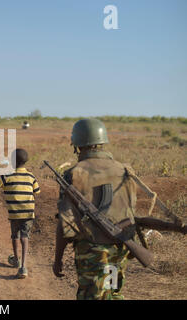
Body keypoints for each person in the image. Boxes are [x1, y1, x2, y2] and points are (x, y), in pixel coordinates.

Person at [53, 118, 138, 300]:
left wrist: (58, 258)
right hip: (119, 248)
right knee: (113, 293)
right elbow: (130, 211)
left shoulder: (74, 174)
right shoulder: (124, 170)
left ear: (77, 144)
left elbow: (64, 222)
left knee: (92, 296)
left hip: (91, 253)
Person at [0, 148, 40, 279]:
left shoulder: (7, 175)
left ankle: (16, 260)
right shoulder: (31, 176)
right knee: (25, 237)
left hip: (14, 213)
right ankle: (23, 267)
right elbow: (37, 191)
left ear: (12, 161)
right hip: (28, 213)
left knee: (15, 235)